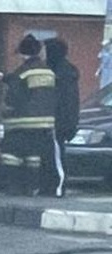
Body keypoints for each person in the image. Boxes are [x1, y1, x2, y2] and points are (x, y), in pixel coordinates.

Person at [0, 34, 57, 196]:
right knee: (34, 157)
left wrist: (7, 110)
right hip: (44, 124)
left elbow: (13, 98)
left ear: (22, 54)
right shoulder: (48, 72)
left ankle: (13, 188)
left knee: (11, 155)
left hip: (22, 123)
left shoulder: (23, 72)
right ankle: (32, 188)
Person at [45, 37, 79, 198]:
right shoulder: (65, 71)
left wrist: (62, 122)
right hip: (61, 120)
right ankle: (52, 186)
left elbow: (64, 101)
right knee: (53, 153)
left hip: (58, 121)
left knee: (57, 155)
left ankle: (58, 188)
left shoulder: (61, 74)